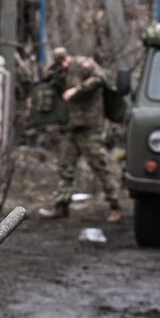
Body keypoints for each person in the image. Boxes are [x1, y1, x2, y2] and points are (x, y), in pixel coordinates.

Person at [37, 46, 122, 222]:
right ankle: (61, 205)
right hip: (71, 126)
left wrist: (78, 89)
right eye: (61, 63)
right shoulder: (61, 71)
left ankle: (115, 205)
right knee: (65, 166)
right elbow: (46, 78)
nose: (65, 65)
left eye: (65, 61)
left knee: (100, 164)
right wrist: (55, 69)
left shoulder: (85, 65)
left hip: (89, 125)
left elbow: (100, 78)